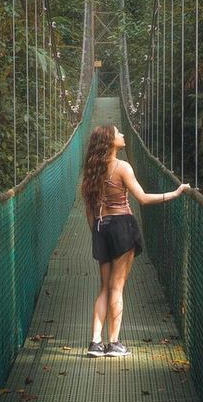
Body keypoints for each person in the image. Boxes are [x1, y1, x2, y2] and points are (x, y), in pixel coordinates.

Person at [81, 123, 190, 357]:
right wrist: (176, 192)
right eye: (118, 132)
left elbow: (89, 211)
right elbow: (142, 199)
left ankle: (95, 342)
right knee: (117, 288)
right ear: (111, 141)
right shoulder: (122, 167)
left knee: (104, 288)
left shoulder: (91, 172)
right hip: (122, 227)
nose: (122, 134)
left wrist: (98, 232)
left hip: (101, 227)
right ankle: (114, 343)